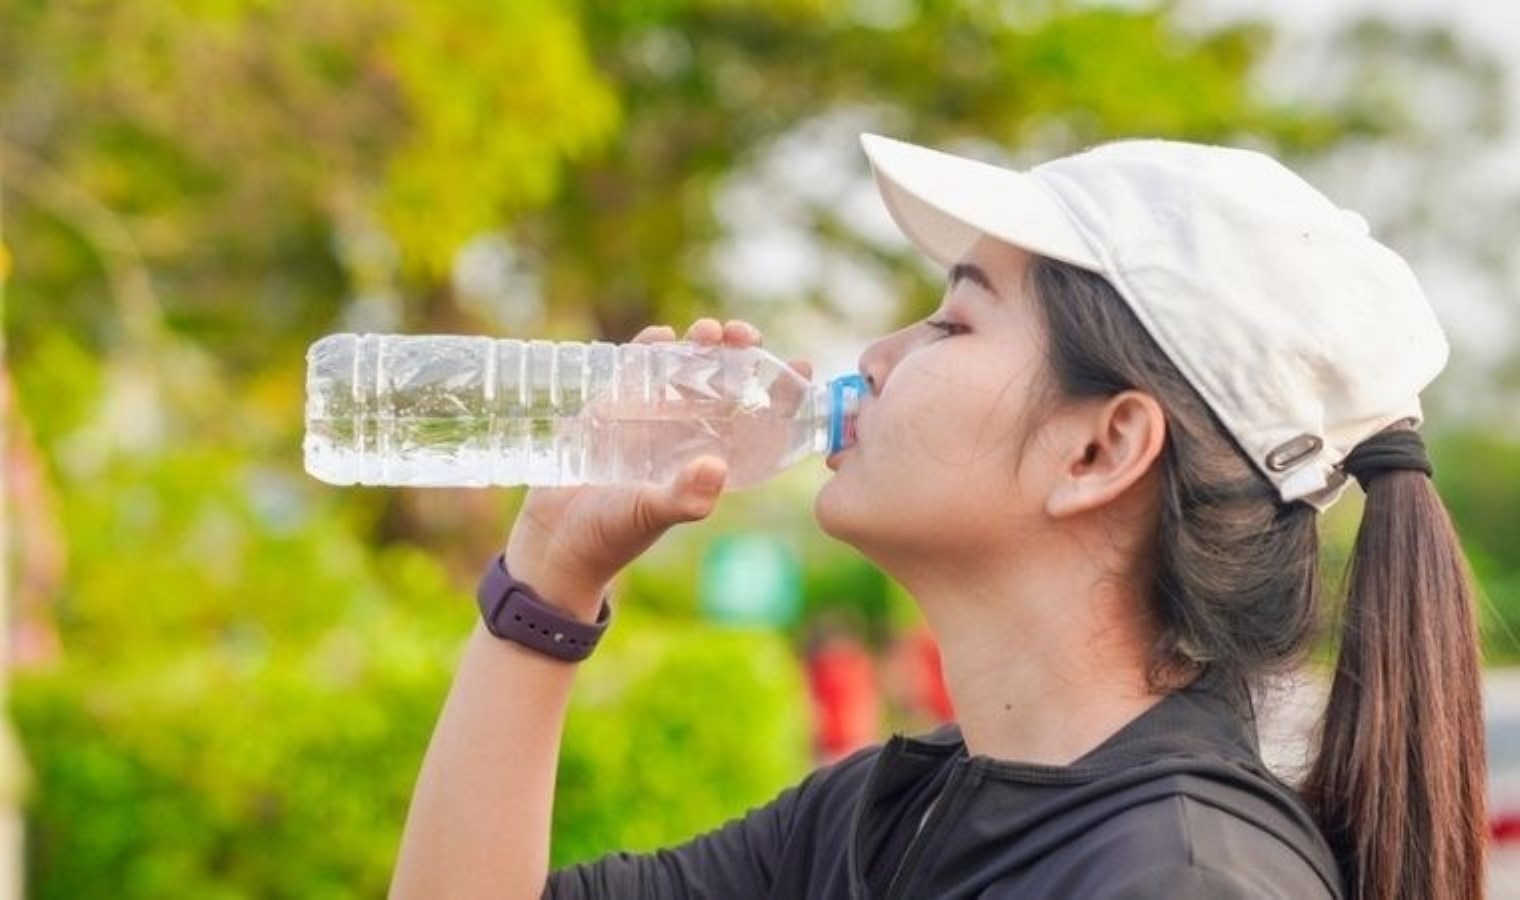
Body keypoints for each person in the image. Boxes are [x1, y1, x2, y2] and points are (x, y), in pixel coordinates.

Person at [390, 133, 1485, 899]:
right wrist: (549, 577)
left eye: (953, 323)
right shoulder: (884, 815)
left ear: (1099, 450)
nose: (875, 357)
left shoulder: (1177, 877)